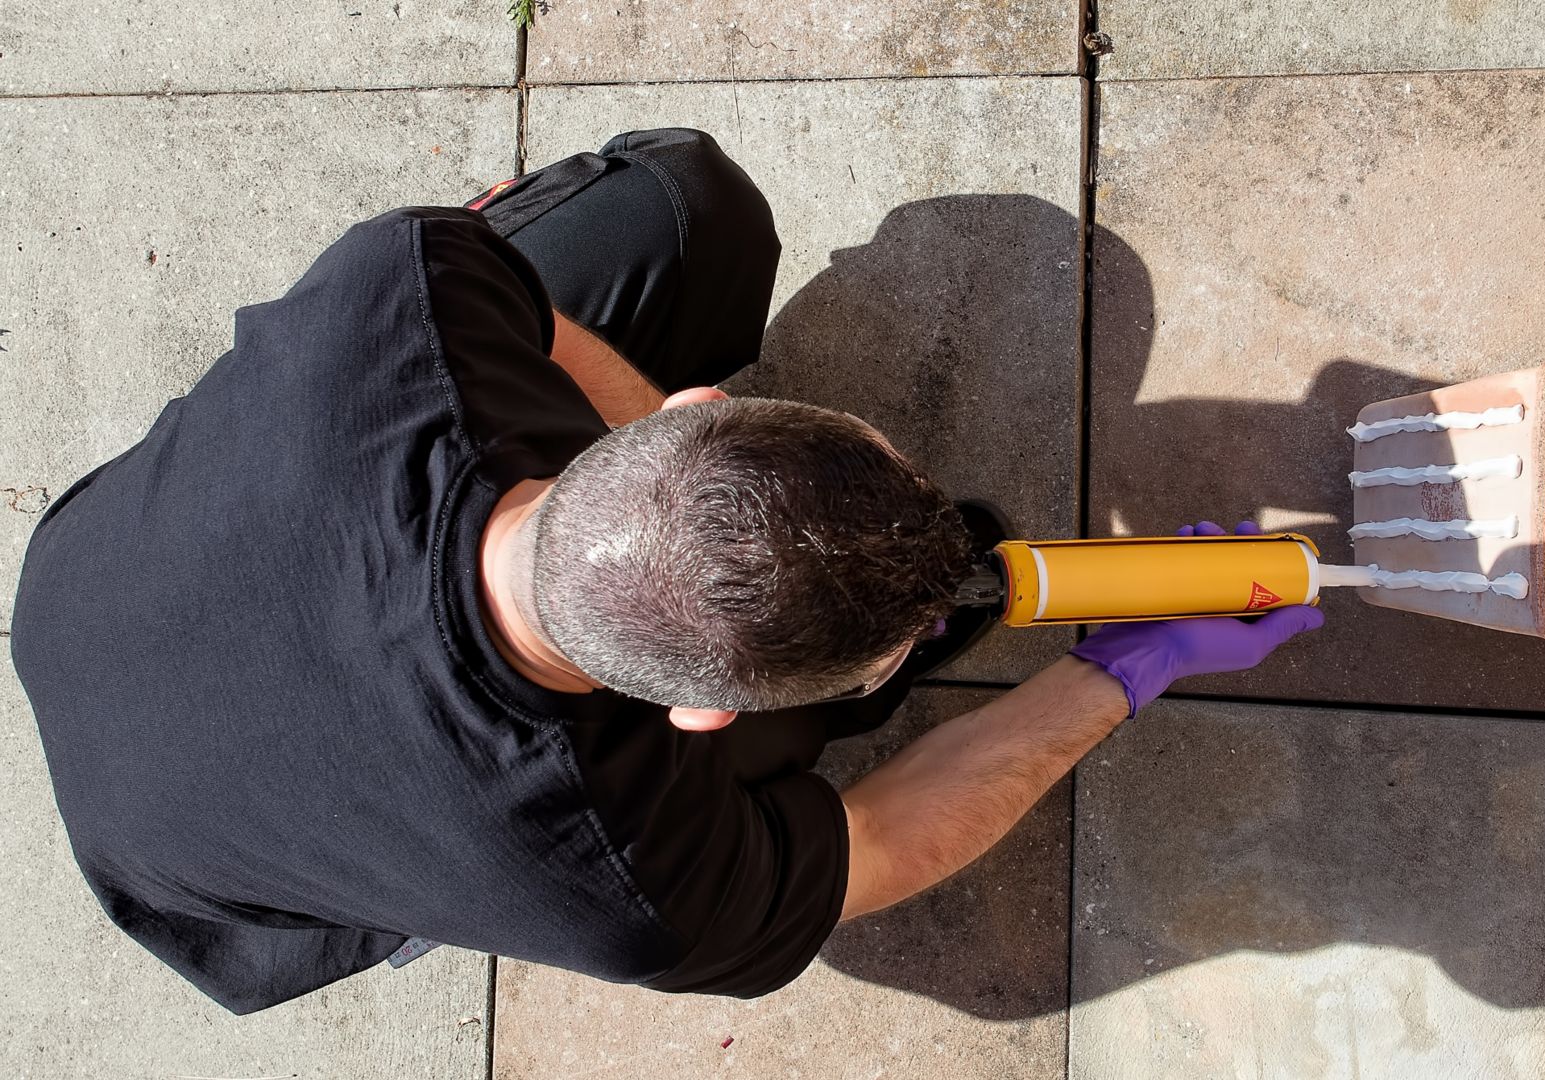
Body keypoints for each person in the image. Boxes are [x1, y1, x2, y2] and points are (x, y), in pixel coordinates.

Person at [8, 129, 1323, 1015]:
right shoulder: (615, 881)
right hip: (194, 864)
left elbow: (545, 327)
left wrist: (690, 496)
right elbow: (870, 843)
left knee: (685, 201)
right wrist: (1128, 667)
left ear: (690, 409)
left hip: (90, 579)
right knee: (837, 725)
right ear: (695, 711)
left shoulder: (398, 289)